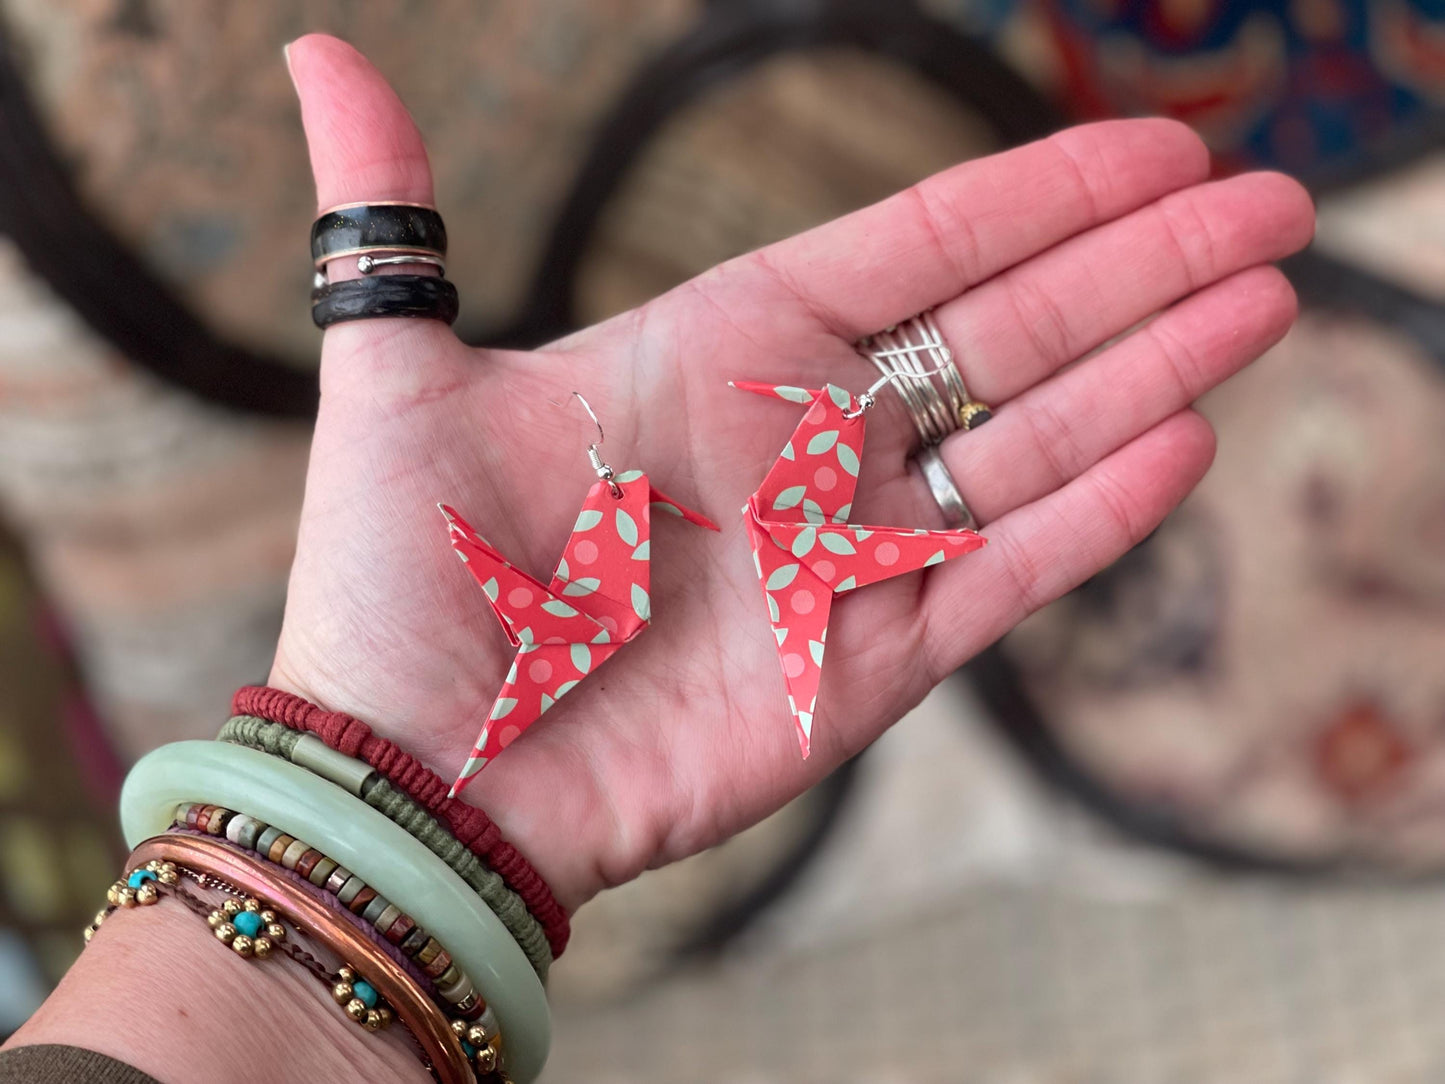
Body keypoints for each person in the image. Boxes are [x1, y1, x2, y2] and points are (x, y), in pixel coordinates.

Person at [0, 33, 1313, 1084]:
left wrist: (366, 778)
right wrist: (404, 742)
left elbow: (686, 569)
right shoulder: (625, 580)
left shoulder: (658, 562)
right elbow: (587, 590)